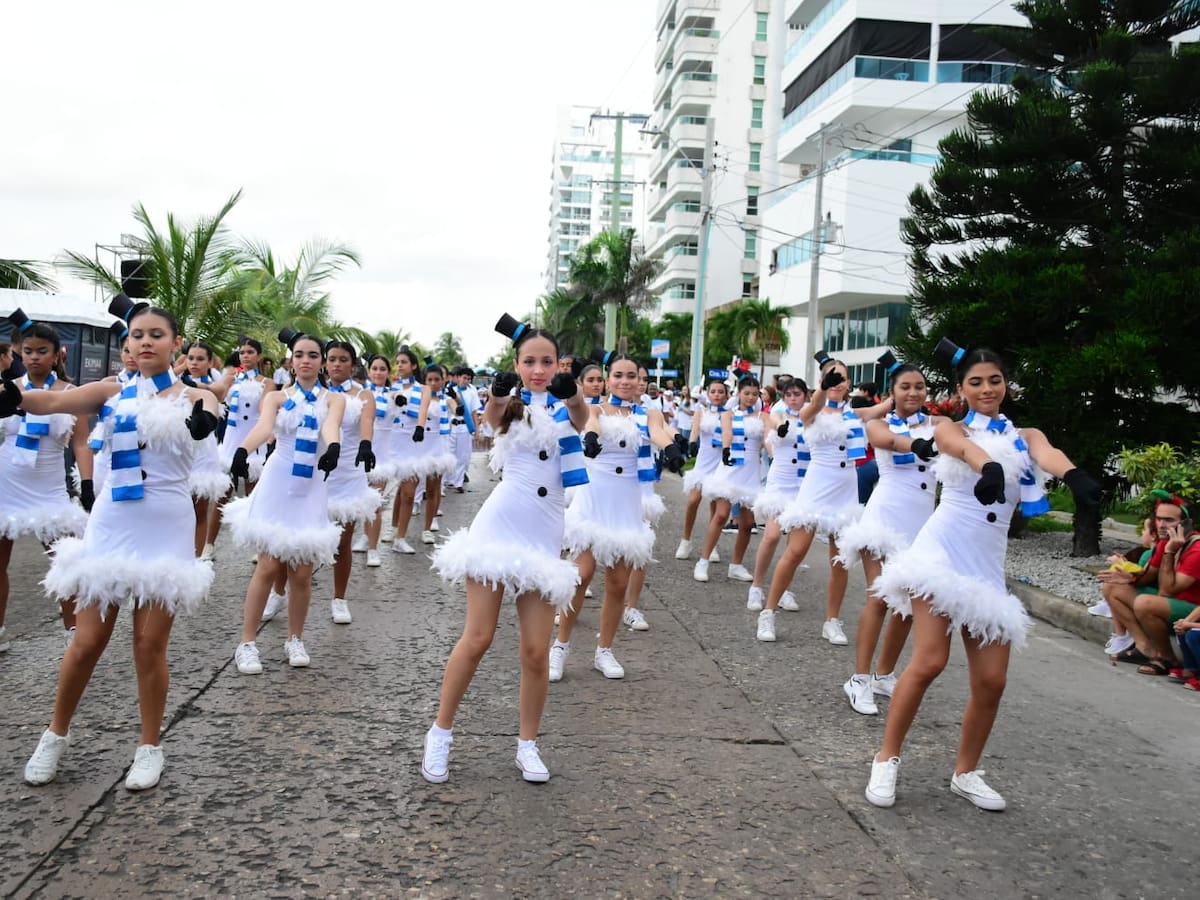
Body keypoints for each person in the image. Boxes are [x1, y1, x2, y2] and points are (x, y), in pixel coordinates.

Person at [864, 340, 1100, 811]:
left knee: (992, 680)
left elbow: (1048, 453)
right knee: (929, 661)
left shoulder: (1025, 435)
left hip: (987, 567)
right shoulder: (948, 425)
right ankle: (886, 758)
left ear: (1006, 384)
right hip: (942, 553)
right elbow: (958, 446)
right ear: (961, 388)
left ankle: (966, 772)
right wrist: (987, 465)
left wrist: (1075, 477)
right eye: (976, 382)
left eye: (995, 380)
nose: (987, 388)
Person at [11, 297, 222, 790]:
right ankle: (54, 735)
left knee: (149, 645)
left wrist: (207, 419)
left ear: (176, 344)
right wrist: (13, 396)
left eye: (156, 335)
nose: (145, 342)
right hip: (112, 522)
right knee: (87, 641)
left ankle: (150, 746)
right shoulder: (110, 390)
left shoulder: (193, 395)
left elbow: (210, 407)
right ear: (127, 344)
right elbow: (53, 401)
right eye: (137, 335)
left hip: (165, 524)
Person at [423, 314, 589, 784]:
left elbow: (582, 416)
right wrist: (497, 393)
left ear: (560, 363)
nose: (539, 369)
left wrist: (570, 390)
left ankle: (528, 745)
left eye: (547, 361)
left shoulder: (566, 406)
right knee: (478, 638)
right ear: (516, 364)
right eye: (530, 362)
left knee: (536, 651)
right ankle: (440, 733)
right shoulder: (512, 407)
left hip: (544, 533)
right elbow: (491, 419)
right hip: (500, 525)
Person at [552, 352, 685, 681]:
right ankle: (560, 646)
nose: (625, 381)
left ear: (641, 381)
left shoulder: (649, 413)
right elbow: (591, 422)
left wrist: (670, 450)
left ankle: (604, 651)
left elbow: (659, 432)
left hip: (626, 503)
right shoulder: (597, 408)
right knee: (581, 574)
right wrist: (593, 436)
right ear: (609, 380)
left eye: (632, 376)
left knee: (618, 583)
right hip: (594, 498)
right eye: (618, 375)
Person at [226, 330, 346, 674]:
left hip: (310, 484)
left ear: (321, 361)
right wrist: (241, 450)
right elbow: (265, 429)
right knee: (268, 564)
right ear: (290, 360)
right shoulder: (276, 398)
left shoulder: (332, 399)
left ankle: (295, 637)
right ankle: (247, 643)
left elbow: (331, 427)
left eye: (312, 354)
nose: (305, 360)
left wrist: (334, 447)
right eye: (299, 355)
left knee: (303, 572)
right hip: (279, 479)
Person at [835, 355, 943, 714]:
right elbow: (891, 441)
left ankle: (884, 674)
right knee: (879, 598)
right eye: (905, 387)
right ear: (891, 392)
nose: (913, 392)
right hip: (883, 520)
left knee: (908, 605)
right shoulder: (880, 424)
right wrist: (918, 445)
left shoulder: (941, 424)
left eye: (919, 386)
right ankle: (859, 679)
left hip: (922, 527)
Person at [757, 356, 871, 645]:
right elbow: (813, 408)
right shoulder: (811, 411)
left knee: (840, 560)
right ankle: (768, 611)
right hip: (816, 487)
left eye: (842, 378)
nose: (837, 382)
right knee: (795, 552)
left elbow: (885, 409)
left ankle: (832, 620)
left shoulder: (855, 414)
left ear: (849, 384)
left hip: (846, 491)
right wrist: (822, 387)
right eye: (832, 377)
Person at [0, 311, 92, 652]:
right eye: (28, 351)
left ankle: (74, 633)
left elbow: (81, 443)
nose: (34, 357)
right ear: (19, 353)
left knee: (65, 561)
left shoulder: (72, 393)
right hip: (6, 482)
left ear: (57, 354)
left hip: (49, 488)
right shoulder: (6, 390)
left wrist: (87, 484)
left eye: (41, 351)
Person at [1101, 492, 1200, 674]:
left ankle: (1167, 659)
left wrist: (1170, 552)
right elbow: (1147, 577)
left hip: (1193, 609)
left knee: (1145, 603)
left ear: (1187, 523)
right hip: (1171, 603)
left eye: (1169, 520)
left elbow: (1167, 591)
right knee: (1112, 586)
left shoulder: (1196, 550)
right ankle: (1145, 647)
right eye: (1159, 519)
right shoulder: (1165, 540)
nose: (1161, 525)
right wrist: (1129, 576)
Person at [322, 341, 380, 623]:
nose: (336, 364)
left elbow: (366, 422)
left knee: (343, 541)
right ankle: (281, 590)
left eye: (342, 359)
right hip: (314, 471)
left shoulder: (364, 394)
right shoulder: (315, 393)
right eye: (331, 359)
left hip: (348, 470)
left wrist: (366, 445)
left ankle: (339, 599)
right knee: (298, 537)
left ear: (353, 365)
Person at [203, 338, 275, 560]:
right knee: (222, 495)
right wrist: (199, 384)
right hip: (231, 443)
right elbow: (218, 391)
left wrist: (269, 426)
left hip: (253, 443)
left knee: (255, 495)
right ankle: (208, 545)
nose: (245, 356)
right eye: (242, 352)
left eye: (250, 352)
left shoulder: (267, 383)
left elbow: (265, 408)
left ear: (259, 355)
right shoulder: (231, 377)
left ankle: (257, 545)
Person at [694, 375, 769, 584]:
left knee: (746, 523)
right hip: (730, 467)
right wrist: (726, 449)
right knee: (721, 514)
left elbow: (767, 440)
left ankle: (736, 565)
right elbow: (727, 433)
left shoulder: (763, 417)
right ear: (739, 393)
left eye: (755, 394)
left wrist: (775, 451)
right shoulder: (729, 414)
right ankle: (703, 560)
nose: (751, 397)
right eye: (747, 393)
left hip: (751, 471)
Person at [746, 378, 808, 615]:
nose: (793, 398)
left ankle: (784, 589)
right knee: (771, 535)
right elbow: (774, 427)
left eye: (798, 394)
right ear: (783, 396)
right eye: (789, 394)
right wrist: (781, 431)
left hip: (803, 484)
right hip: (780, 481)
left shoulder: (812, 418)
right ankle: (757, 586)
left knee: (795, 545)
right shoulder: (775, 415)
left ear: (805, 395)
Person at [675, 378, 730, 562]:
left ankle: (711, 545)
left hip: (721, 462)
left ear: (726, 395)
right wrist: (692, 443)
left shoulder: (730, 414)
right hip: (704, 460)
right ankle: (686, 539)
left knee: (715, 505)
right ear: (707, 393)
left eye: (720, 392)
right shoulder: (700, 411)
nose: (717, 395)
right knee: (693, 500)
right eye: (713, 391)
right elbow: (694, 430)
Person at [355, 354, 398, 564]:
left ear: (388, 373)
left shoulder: (395, 396)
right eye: (375, 368)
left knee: (375, 502)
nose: (378, 372)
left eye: (382, 369)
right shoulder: (360, 394)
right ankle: (365, 535)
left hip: (381, 455)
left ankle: (373, 548)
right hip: (360, 452)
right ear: (369, 371)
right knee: (359, 499)